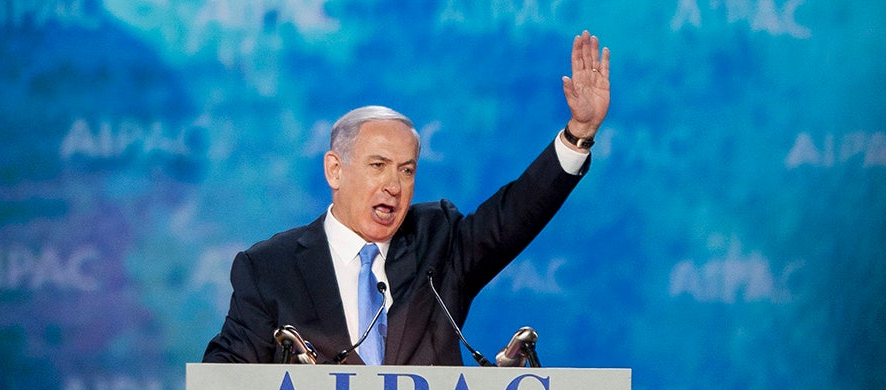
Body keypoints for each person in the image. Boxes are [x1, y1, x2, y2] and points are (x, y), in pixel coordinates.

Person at [202, 31, 610, 365]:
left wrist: (579, 134)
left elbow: (514, 214)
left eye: (407, 170)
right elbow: (224, 384)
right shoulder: (269, 268)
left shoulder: (438, 242)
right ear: (335, 170)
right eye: (378, 165)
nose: (394, 186)